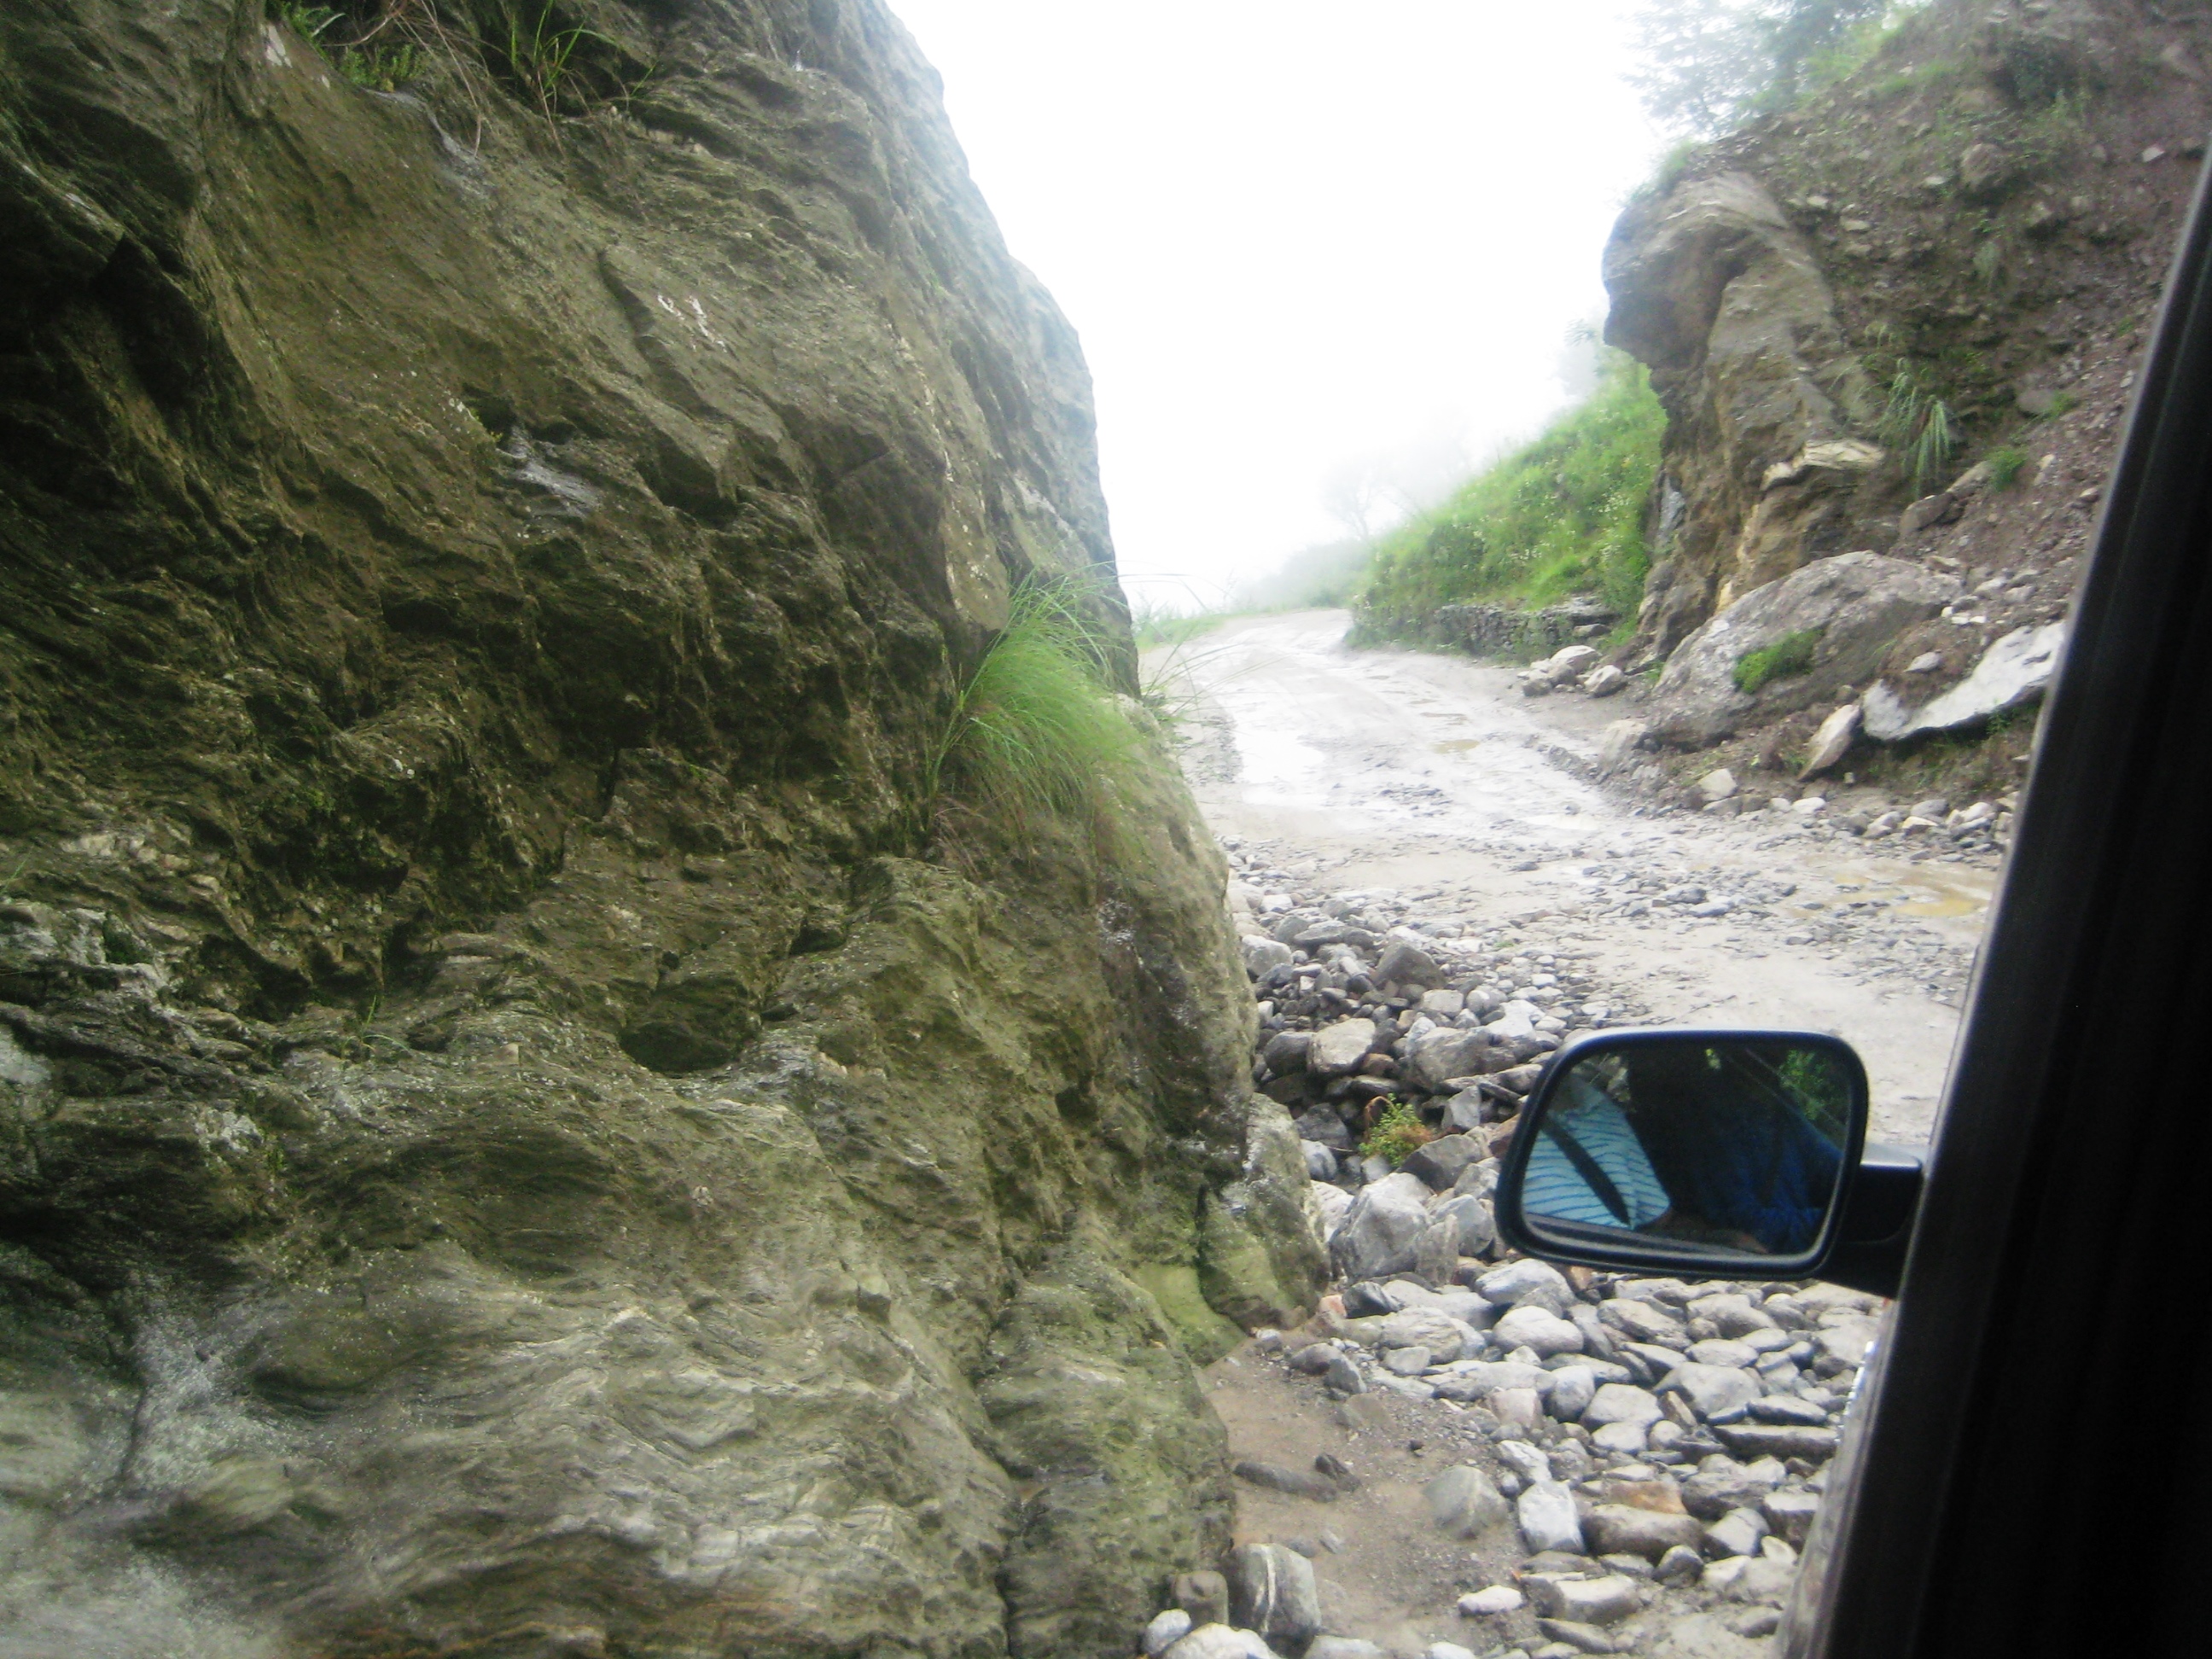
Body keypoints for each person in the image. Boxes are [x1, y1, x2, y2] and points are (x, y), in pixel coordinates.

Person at [1623, 1044, 1844, 1255]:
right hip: (1776, 1259)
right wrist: (1838, 1221)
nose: (1777, 1052)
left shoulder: (1777, 1103)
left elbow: (1834, 1169)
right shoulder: (1707, 1125)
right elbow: (1751, 1225)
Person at [1522, 1066, 1674, 1231]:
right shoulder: (1513, 1140)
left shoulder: (1598, 1106)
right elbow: (1656, 1214)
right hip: (1611, 1243)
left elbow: (1656, 1214)